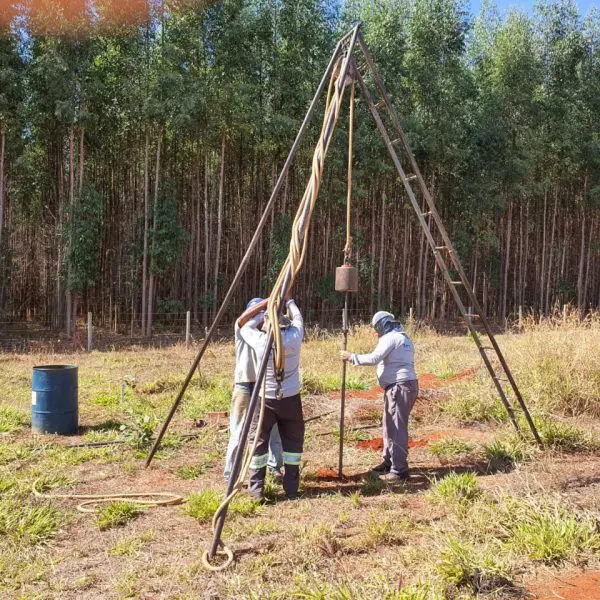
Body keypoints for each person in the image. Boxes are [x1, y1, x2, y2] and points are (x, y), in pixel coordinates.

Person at [340, 311, 418, 482]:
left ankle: (399, 470)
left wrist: (351, 357)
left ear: (382, 325)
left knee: (396, 428)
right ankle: (389, 462)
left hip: (399, 387)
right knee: (389, 425)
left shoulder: (390, 338)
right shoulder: (403, 337)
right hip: (403, 387)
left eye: (377, 328)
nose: (376, 332)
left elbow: (374, 358)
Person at [240, 298, 304, 501]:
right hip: (291, 399)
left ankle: (256, 490)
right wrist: (290, 302)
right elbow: (299, 318)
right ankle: (292, 489)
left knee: (259, 443)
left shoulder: (260, 341)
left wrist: (264, 310)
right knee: (293, 444)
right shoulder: (294, 336)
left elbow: (243, 325)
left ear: (268, 324)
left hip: (265, 400)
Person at [223, 298, 283, 482]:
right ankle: (231, 472)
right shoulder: (242, 330)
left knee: (272, 429)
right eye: (255, 313)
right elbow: (242, 321)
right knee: (239, 431)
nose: (259, 317)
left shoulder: (267, 334)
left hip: (264, 386)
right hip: (245, 385)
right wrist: (268, 302)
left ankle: (275, 467)